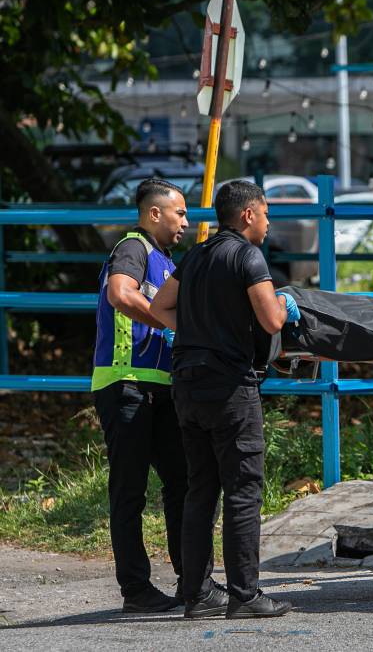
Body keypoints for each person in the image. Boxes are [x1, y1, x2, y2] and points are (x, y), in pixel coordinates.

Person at [150, 180, 296, 619]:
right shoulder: (247, 256)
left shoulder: (196, 254)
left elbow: (159, 307)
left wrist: (196, 329)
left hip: (188, 385)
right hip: (231, 387)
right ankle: (246, 595)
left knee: (200, 490)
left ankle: (195, 594)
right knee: (242, 492)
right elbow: (271, 321)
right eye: (266, 214)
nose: (269, 223)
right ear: (248, 214)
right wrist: (288, 303)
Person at [91, 178, 189, 613]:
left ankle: (194, 579)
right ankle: (136, 588)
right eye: (179, 213)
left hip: (160, 387)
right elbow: (119, 293)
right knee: (129, 491)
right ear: (155, 214)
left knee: (182, 482)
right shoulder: (133, 248)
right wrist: (171, 322)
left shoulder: (167, 261)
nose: (185, 221)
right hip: (127, 385)